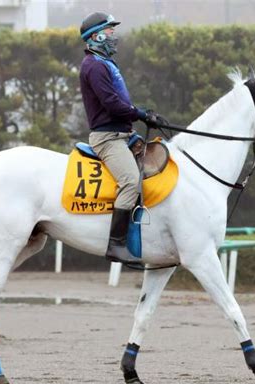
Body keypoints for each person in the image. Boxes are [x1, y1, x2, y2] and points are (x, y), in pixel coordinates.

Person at [79, 12, 158, 264]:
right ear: (97, 35)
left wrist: (140, 115)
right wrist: (140, 113)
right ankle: (116, 245)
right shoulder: (94, 66)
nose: (114, 37)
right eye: (110, 32)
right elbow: (112, 104)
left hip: (123, 134)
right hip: (108, 139)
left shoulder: (104, 63)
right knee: (130, 181)